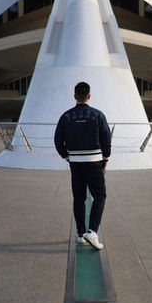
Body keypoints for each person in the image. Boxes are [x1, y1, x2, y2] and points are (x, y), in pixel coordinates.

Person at [54, 81, 111, 250]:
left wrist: (67, 156)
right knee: (99, 196)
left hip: (75, 163)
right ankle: (92, 231)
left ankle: (80, 234)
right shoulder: (98, 115)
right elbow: (106, 138)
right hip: (94, 161)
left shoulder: (66, 116)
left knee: (79, 197)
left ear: (74, 96)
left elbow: (57, 140)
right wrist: (105, 159)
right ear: (89, 96)